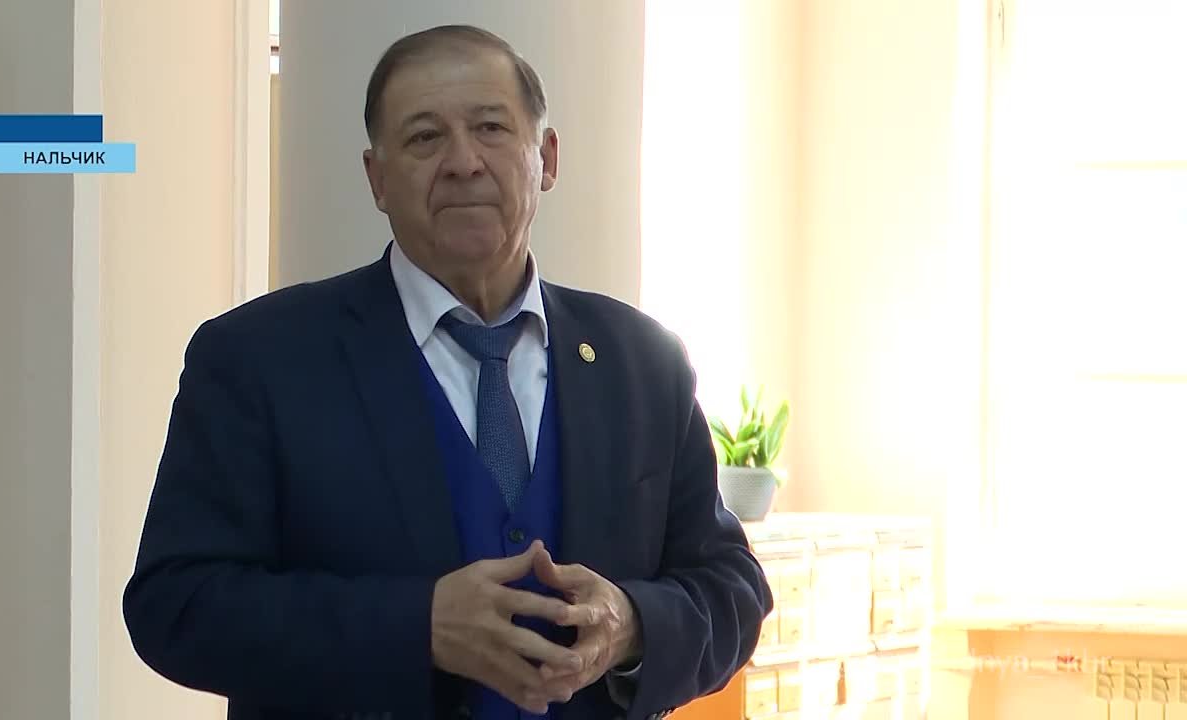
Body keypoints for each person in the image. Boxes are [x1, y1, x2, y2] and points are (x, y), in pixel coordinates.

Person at [124, 23, 771, 720]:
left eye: (491, 128)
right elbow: (176, 604)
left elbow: (731, 588)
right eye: (425, 137)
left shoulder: (643, 362)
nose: (463, 162)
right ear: (377, 179)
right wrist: (417, 628)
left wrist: (632, 624)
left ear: (546, 158)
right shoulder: (257, 360)